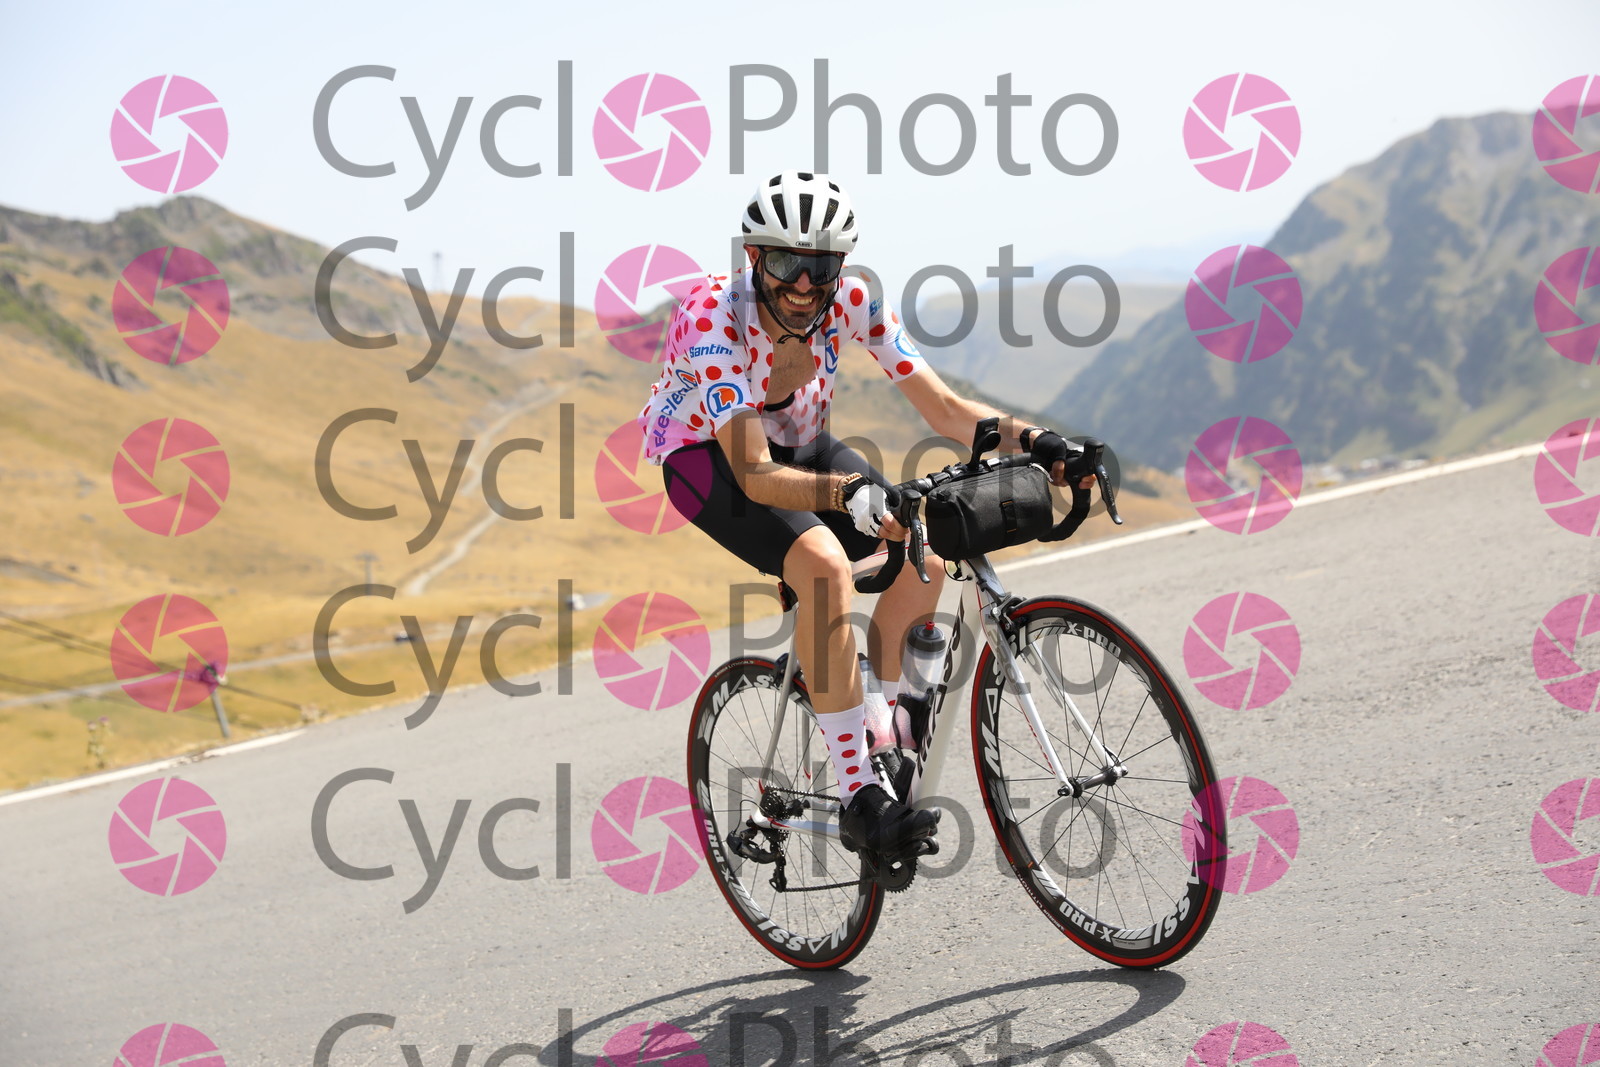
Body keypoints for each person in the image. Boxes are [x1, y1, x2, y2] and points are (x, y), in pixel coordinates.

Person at [637, 170, 1086, 864]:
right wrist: (847, 493)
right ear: (753, 257)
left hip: (800, 441)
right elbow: (753, 472)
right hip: (710, 459)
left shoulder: (853, 300)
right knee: (822, 566)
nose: (803, 285)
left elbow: (944, 408)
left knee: (922, 551)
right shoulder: (711, 318)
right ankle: (858, 796)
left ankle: (878, 722)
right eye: (785, 263)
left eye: (820, 267)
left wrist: (1041, 442)